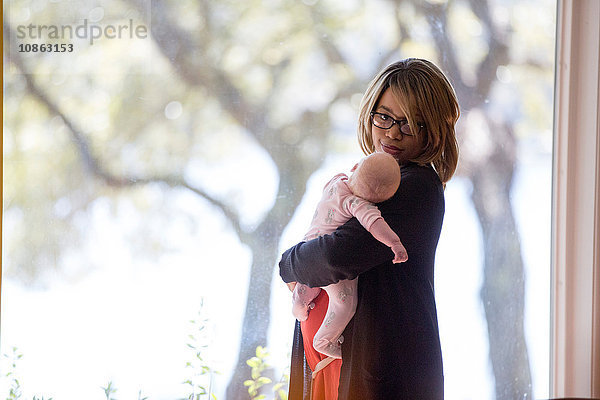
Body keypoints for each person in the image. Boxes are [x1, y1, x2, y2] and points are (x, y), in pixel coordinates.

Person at [279, 58, 459, 400]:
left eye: (411, 123)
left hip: (380, 375)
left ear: (433, 129)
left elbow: (335, 255)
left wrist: (287, 263)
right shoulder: (366, 180)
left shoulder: (416, 186)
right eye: (385, 117)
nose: (392, 132)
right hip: (333, 370)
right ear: (370, 113)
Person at [288, 152, 408, 361]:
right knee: (345, 304)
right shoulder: (356, 203)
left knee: (308, 282)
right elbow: (375, 225)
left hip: (309, 245)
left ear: (354, 167)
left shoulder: (336, 181)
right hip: (332, 269)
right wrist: (395, 244)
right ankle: (324, 340)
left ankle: (299, 303)